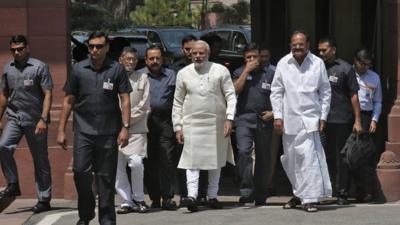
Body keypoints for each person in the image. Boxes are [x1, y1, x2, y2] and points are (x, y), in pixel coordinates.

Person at [57, 31, 132, 225]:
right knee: (80, 172)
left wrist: (125, 127)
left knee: (106, 178)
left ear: (106, 48)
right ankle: (86, 212)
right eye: (91, 46)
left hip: (109, 132)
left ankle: (107, 220)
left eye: (99, 46)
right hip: (83, 131)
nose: (94, 50)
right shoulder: (78, 69)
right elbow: (68, 100)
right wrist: (61, 129)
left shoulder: (117, 69)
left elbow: (125, 99)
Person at [270, 31, 332, 212]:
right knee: (291, 161)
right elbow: (276, 91)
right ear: (290, 45)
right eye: (294, 44)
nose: (297, 47)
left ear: (308, 45)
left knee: (309, 160)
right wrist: (277, 116)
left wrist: (323, 116)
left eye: (301, 44)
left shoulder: (317, 63)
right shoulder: (283, 63)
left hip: (310, 121)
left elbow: (325, 92)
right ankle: (299, 194)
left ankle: (310, 199)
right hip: (289, 121)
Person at [172, 40, 237, 212]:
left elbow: (231, 96)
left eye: (201, 53)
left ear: (208, 54)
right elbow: (177, 102)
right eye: (194, 53)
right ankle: (192, 196)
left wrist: (229, 119)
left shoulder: (220, 70)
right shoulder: (183, 73)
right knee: (191, 160)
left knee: (216, 161)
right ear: (190, 54)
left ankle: (213, 196)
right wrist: (177, 126)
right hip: (191, 123)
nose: (198, 56)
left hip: (217, 123)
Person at [0, 35, 53, 213]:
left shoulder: (39, 67)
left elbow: (48, 94)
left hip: (36, 120)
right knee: (3, 146)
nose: (16, 52)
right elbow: (4, 95)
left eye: (20, 49)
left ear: (27, 48)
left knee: (40, 160)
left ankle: (44, 199)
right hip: (15, 118)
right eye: (13, 49)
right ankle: (13, 183)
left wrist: (44, 119)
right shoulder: (7, 69)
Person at [318, 37, 363, 205]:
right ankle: (326, 191)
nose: (321, 53)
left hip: (340, 120)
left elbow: (353, 95)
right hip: (320, 120)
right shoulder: (316, 67)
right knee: (323, 156)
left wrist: (357, 120)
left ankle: (342, 193)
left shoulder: (345, 69)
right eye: (319, 50)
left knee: (341, 157)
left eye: (325, 50)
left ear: (334, 50)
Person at [232, 43, 275, 206]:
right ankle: (246, 191)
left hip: (264, 120)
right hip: (244, 119)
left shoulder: (270, 73)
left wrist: (274, 113)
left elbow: (280, 95)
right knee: (244, 152)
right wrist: (246, 71)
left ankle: (261, 193)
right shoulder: (238, 72)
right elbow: (235, 90)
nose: (251, 60)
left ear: (260, 56)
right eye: (248, 58)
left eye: (254, 57)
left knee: (264, 158)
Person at [170, 35, 209, 205]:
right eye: (188, 50)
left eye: (197, 50)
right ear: (183, 50)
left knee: (205, 158)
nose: (193, 54)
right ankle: (185, 194)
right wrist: (178, 124)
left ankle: (202, 193)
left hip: (204, 121)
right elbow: (176, 99)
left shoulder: (211, 69)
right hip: (184, 120)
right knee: (183, 159)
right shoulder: (176, 70)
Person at [138, 45, 178, 210]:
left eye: (157, 58)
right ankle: (154, 198)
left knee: (167, 160)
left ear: (163, 59)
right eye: (151, 58)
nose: (154, 61)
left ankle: (168, 198)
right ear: (146, 60)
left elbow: (178, 99)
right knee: (149, 162)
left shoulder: (171, 75)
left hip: (165, 122)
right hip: (144, 122)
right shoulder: (139, 75)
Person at [115, 47, 150, 214]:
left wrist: (126, 122)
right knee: (118, 167)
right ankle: (126, 201)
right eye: (128, 58)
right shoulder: (112, 76)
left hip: (136, 128)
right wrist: (119, 123)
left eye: (134, 59)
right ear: (121, 59)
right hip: (114, 128)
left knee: (136, 163)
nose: (131, 62)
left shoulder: (143, 78)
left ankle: (139, 198)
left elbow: (144, 106)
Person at [352, 47, 382, 202]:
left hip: (366, 116)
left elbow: (377, 101)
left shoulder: (374, 78)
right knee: (348, 155)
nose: (365, 67)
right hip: (348, 116)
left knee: (365, 155)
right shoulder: (348, 74)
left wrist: (374, 119)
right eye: (363, 64)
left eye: (368, 65)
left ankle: (366, 191)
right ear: (356, 61)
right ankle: (346, 190)